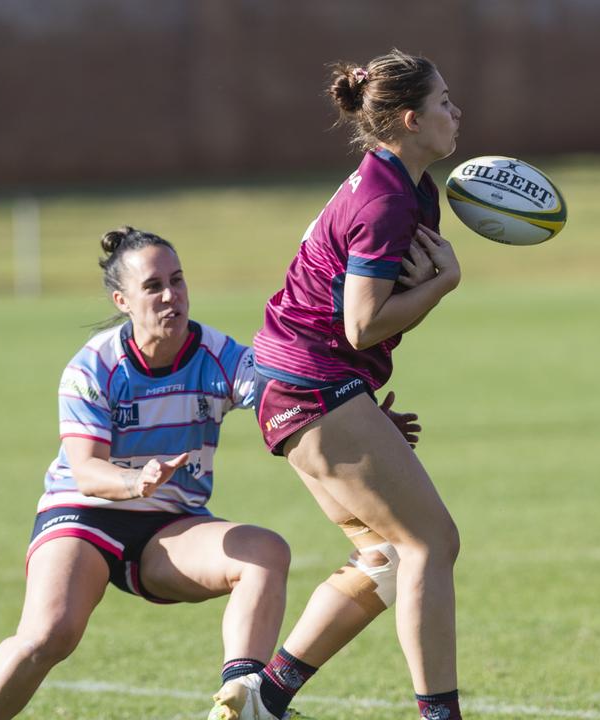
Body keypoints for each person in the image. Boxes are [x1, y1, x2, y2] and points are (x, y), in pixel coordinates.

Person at [207, 50, 466, 720]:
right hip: (311, 383)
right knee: (429, 546)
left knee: (383, 557)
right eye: (443, 102)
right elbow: (360, 324)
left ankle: (266, 697)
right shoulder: (384, 200)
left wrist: (365, 418)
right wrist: (444, 285)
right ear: (409, 119)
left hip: (300, 383)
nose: (455, 112)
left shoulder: (400, 182)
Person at [0, 226, 294, 720]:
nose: (170, 296)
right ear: (122, 300)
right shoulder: (92, 367)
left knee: (266, 553)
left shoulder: (218, 356)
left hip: (169, 526)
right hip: (83, 516)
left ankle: (241, 706)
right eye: (153, 286)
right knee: (49, 634)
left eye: (177, 281)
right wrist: (135, 482)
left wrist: (359, 416)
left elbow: (290, 398)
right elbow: (87, 471)